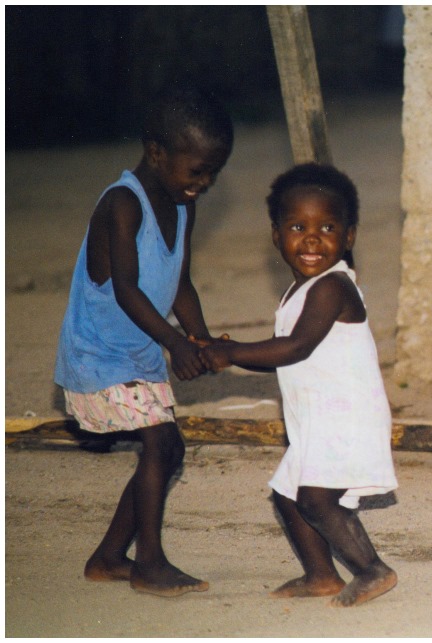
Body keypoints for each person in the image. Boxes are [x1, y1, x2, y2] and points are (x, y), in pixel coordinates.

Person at [54, 84, 233, 597]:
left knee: (168, 448)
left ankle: (110, 557)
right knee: (160, 442)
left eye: (213, 172)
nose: (205, 183)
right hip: (99, 356)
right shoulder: (121, 205)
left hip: (137, 351)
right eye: (196, 170)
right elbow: (128, 291)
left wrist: (197, 338)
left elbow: (179, 281)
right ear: (156, 153)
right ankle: (149, 563)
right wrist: (176, 344)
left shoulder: (182, 203)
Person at [199, 163, 399, 607]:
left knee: (315, 500)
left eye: (327, 227)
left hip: (346, 417)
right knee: (288, 495)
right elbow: (280, 353)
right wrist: (230, 350)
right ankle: (321, 574)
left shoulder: (333, 289)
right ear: (276, 235)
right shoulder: (299, 292)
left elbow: (294, 348)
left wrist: (230, 353)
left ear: (348, 237)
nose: (312, 238)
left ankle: (372, 569)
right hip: (319, 420)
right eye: (297, 226)